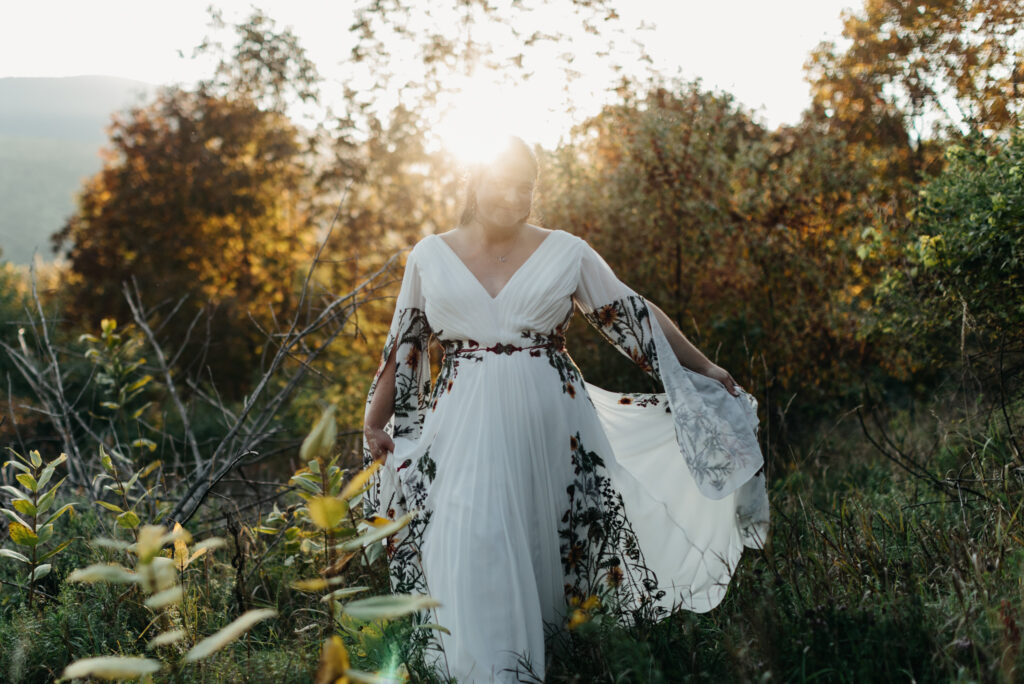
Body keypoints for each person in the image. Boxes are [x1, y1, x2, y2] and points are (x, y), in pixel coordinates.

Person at [362, 135, 769, 683]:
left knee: (547, 540)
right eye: (500, 182)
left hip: (557, 426)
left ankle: (558, 659)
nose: (511, 196)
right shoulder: (429, 255)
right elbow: (403, 343)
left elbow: (635, 317)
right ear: (474, 178)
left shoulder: (566, 250)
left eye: (524, 187)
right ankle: (494, 672)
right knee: (476, 533)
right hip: (463, 426)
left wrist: (705, 371)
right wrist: (374, 418)